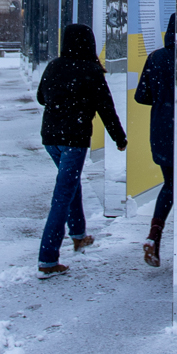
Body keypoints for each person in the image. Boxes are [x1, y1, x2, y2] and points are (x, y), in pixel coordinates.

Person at [35, 23, 127, 277]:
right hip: (74, 140)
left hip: (51, 139)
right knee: (63, 194)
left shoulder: (54, 66)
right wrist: (119, 138)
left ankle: (78, 235)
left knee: (70, 183)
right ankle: (48, 259)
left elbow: (41, 98)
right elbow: (106, 109)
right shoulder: (91, 70)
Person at [134, 15, 176, 269]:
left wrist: (161, 99)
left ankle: (155, 235)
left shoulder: (156, 58)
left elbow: (141, 96)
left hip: (162, 131)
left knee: (170, 184)